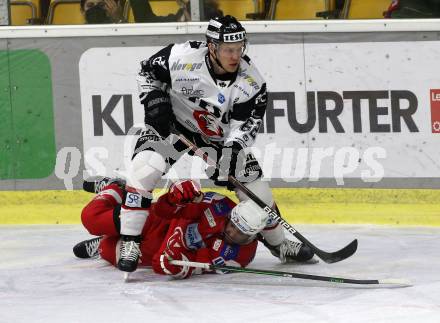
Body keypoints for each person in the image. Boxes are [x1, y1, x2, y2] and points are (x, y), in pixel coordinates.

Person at [117, 15, 314, 273]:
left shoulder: (252, 83)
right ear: (212, 47)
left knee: (258, 193)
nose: (235, 55)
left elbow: (247, 124)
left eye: (239, 48)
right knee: (144, 169)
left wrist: (231, 152)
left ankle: (279, 244)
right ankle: (130, 242)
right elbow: (147, 71)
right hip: (174, 127)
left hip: (219, 139)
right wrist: (154, 100)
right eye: (228, 50)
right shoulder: (181, 58)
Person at [73, 179, 272, 279]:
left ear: (253, 235)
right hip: (156, 221)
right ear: (231, 215)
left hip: (161, 247)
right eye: (233, 226)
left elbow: (198, 265)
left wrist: (178, 267)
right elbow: (165, 209)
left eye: (241, 233)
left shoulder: (240, 258)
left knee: (108, 250)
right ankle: (117, 188)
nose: (232, 233)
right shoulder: (220, 204)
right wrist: (175, 197)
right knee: (91, 219)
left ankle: (102, 244)